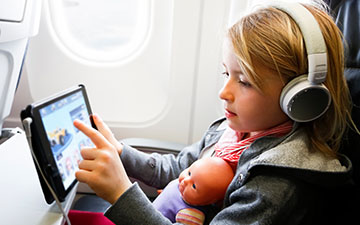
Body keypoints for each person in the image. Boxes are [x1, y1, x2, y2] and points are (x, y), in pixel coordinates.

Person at [73, 1, 358, 224]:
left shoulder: (276, 185)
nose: (224, 92)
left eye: (244, 81)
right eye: (226, 73)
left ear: (298, 96)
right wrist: (121, 152)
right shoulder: (233, 132)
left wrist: (120, 194)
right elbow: (178, 169)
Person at [152, 157, 234, 224]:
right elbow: (172, 193)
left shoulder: (191, 215)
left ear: (207, 202)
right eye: (189, 173)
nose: (186, 181)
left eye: (194, 186)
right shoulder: (182, 185)